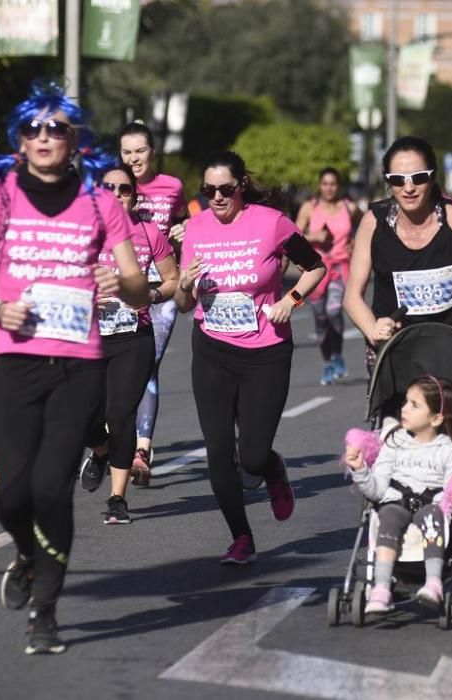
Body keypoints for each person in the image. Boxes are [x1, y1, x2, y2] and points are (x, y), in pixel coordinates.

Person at [0, 82, 149, 653]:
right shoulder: (0, 194)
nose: (44, 137)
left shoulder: (101, 202)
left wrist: (122, 281)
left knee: (50, 490)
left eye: (56, 127)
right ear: (20, 138)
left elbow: (138, 288)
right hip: (17, 360)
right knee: (12, 496)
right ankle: (26, 555)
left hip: (78, 366)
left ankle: (45, 611)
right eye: (33, 128)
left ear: (74, 139)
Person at [175, 150, 326, 565]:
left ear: (241, 186)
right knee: (219, 450)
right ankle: (240, 537)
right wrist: (184, 286)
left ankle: (272, 470)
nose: (217, 198)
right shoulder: (196, 228)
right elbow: (184, 304)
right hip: (212, 350)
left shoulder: (271, 222)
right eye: (208, 191)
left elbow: (315, 267)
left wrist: (292, 299)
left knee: (253, 456)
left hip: (266, 351)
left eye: (225, 189)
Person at [343, 136, 452, 372]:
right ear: (388, 182)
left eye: (418, 177)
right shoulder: (373, 224)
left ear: (433, 176)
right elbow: (352, 296)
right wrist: (372, 328)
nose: (408, 188)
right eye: (397, 180)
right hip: (393, 350)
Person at [77, 165, 179, 523]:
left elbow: (172, 280)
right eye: (109, 188)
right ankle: (101, 451)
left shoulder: (149, 232)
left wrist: (150, 294)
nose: (117, 193)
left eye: (124, 189)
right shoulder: (82, 231)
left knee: (120, 415)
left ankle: (117, 499)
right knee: (83, 416)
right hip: (85, 336)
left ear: (134, 195)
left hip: (133, 336)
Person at [343, 375, 452, 612]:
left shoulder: (449, 452)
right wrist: (360, 469)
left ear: (436, 418)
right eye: (405, 402)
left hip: (432, 505)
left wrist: (445, 504)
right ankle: (380, 588)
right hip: (395, 502)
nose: (404, 409)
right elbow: (378, 490)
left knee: (434, 516)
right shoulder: (393, 443)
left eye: (414, 405)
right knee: (388, 516)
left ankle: (433, 584)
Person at [119, 121, 188, 478]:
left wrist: (183, 229)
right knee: (118, 368)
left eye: (140, 151)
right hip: (117, 289)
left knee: (148, 362)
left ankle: (141, 449)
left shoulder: (172, 186)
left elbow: (184, 221)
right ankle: (120, 434)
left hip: (161, 287)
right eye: (127, 152)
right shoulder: (114, 185)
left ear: (153, 151)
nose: (133, 159)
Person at [295, 167, 359, 385]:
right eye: (325, 184)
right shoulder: (309, 208)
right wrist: (313, 236)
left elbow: (367, 224)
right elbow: (293, 236)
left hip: (340, 266)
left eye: (333, 184)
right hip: (316, 268)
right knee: (321, 318)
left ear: (338, 186)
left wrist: (355, 243)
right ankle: (327, 363)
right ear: (319, 185)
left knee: (333, 310)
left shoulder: (348, 207)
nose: (329, 188)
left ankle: (338, 355)